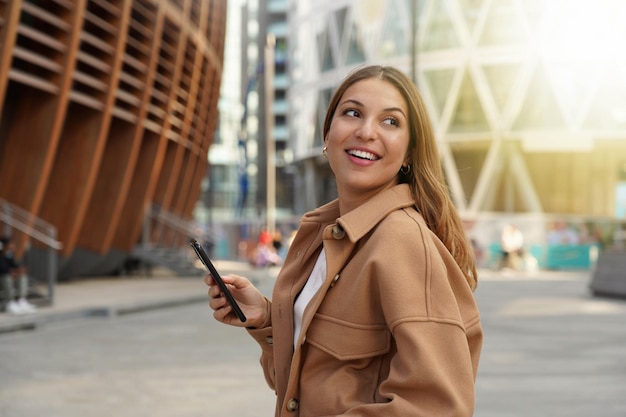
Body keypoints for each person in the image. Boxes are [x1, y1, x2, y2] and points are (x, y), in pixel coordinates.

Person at [204, 65, 482, 416]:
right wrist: (264, 319)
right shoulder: (323, 239)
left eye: (390, 121)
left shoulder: (400, 240)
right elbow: (298, 387)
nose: (366, 132)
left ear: (409, 153)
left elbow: (436, 407)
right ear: (328, 133)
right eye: (352, 113)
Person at [1, 237, 37, 314]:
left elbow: (15, 266)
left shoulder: (9, 255)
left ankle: (21, 301)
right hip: (3, 279)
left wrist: (19, 271)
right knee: (7, 277)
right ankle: (10, 302)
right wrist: (14, 272)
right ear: (4, 245)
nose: (13, 246)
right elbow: (3, 270)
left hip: (11, 276)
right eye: (11, 244)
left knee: (22, 276)